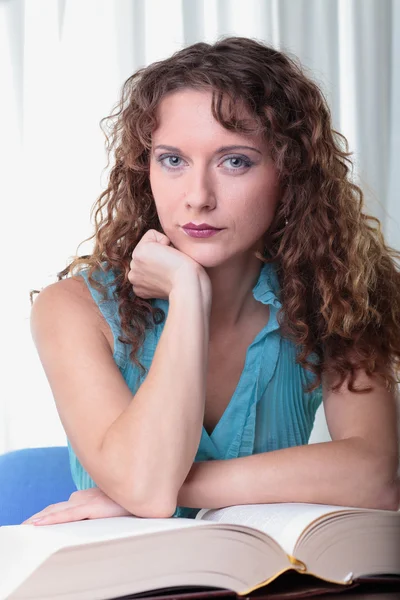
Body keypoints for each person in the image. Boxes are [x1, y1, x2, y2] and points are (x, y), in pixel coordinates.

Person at [23, 36, 400, 526]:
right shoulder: (71, 310)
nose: (198, 197)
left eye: (235, 161)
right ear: (146, 169)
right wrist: (186, 294)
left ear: (290, 174)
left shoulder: (336, 294)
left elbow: (376, 474)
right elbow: (147, 491)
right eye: (173, 160)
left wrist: (164, 486)